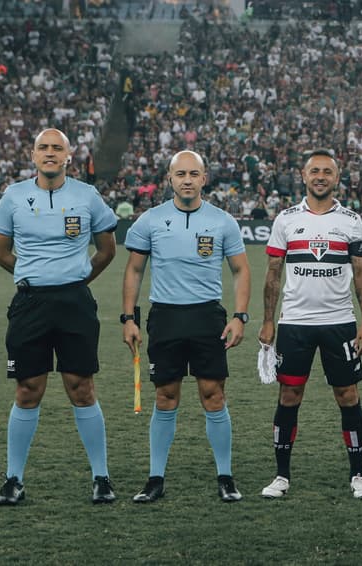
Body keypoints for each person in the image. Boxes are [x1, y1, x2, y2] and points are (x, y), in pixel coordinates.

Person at [0, 128, 118, 505]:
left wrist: (75, 280)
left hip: (75, 304)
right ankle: (14, 479)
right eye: (43, 148)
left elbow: (107, 250)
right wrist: (36, 276)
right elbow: (0, 253)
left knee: (82, 387)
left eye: (56, 148)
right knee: (28, 389)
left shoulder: (87, 196)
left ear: (68, 156)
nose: (49, 153)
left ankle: (102, 478)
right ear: (33, 155)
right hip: (30, 305)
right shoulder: (13, 197)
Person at [122, 150, 251, 503]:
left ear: (204, 178)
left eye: (194, 174)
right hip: (165, 317)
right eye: (181, 174)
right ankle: (155, 479)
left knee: (214, 395)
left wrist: (240, 316)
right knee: (165, 398)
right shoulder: (150, 220)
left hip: (208, 317)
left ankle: (225, 477)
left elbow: (241, 270)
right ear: (170, 179)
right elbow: (134, 270)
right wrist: (129, 318)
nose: (188, 180)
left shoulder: (223, 221)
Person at [258, 149, 362, 499]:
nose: (320, 176)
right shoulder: (285, 220)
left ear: (337, 178)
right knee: (289, 395)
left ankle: (358, 475)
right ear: (304, 176)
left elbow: (361, 275)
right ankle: (281, 476)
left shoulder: (351, 221)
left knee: (348, 395)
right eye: (314, 171)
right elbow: (273, 275)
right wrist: (268, 322)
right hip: (294, 324)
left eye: (327, 171)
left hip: (340, 323)